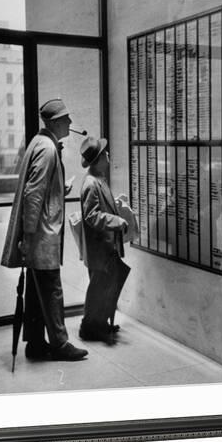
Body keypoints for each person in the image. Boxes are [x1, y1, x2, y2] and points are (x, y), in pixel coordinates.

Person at [1, 99, 88, 362]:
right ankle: (60, 344)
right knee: (51, 290)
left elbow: (40, 189)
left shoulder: (39, 143)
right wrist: (28, 239)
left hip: (38, 234)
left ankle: (36, 342)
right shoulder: (48, 149)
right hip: (41, 235)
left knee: (37, 292)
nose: (71, 123)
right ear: (55, 122)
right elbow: (33, 194)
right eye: (66, 119)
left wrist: (62, 188)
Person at [79, 136, 131, 343]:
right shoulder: (92, 183)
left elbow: (100, 208)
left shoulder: (98, 179)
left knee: (104, 286)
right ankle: (90, 327)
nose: (108, 155)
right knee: (98, 288)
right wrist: (116, 220)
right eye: (105, 153)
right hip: (99, 247)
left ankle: (99, 324)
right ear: (99, 159)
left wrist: (115, 205)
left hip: (104, 246)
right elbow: (92, 216)